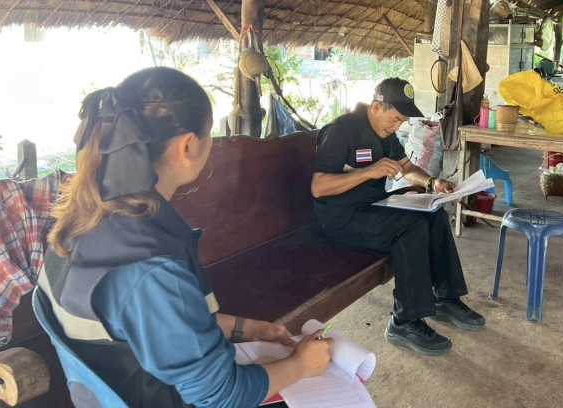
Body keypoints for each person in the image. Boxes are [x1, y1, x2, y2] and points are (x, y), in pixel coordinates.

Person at [38, 67, 333, 408]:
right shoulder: (149, 264)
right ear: (188, 146)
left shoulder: (84, 218)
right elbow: (221, 395)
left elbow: (146, 320)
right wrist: (301, 365)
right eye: (209, 135)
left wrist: (245, 328)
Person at [311, 78, 484, 357]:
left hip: (373, 207)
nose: (397, 127)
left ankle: (445, 297)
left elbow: (407, 168)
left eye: (402, 122)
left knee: (434, 214)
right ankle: (404, 321)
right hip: (340, 218)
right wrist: (369, 171)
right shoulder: (340, 131)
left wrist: (432, 183)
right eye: (395, 120)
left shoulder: (385, 134)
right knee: (410, 226)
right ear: (377, 107)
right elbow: (319, 187)